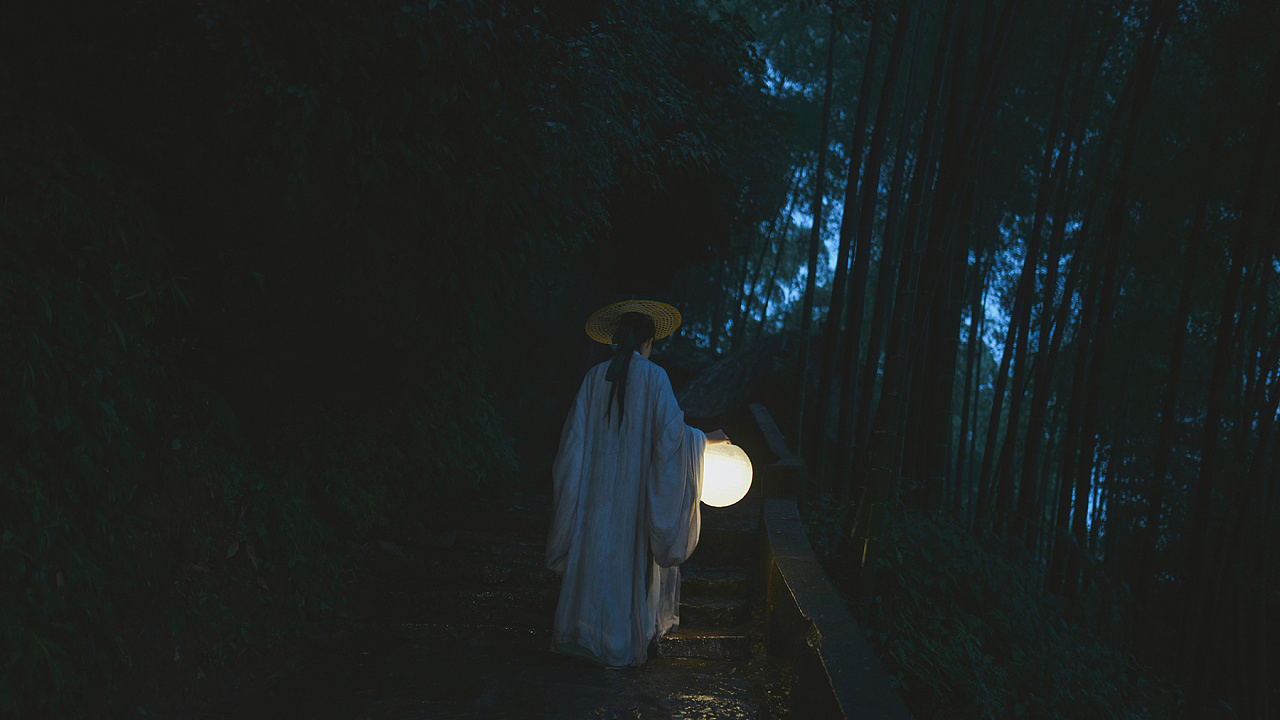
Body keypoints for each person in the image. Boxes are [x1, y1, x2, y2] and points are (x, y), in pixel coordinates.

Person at [545, 300, 730, 668]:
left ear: (617, 340)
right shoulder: (655, 377)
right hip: (633, 500)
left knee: (593, 554)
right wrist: (705, 439)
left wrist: (573, 492)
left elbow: (571, 446)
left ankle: (580, 636)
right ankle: (616, 646)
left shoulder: (594, 377)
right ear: (648, 342)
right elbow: (672, 439)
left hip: (593, 494)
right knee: (624, 564)